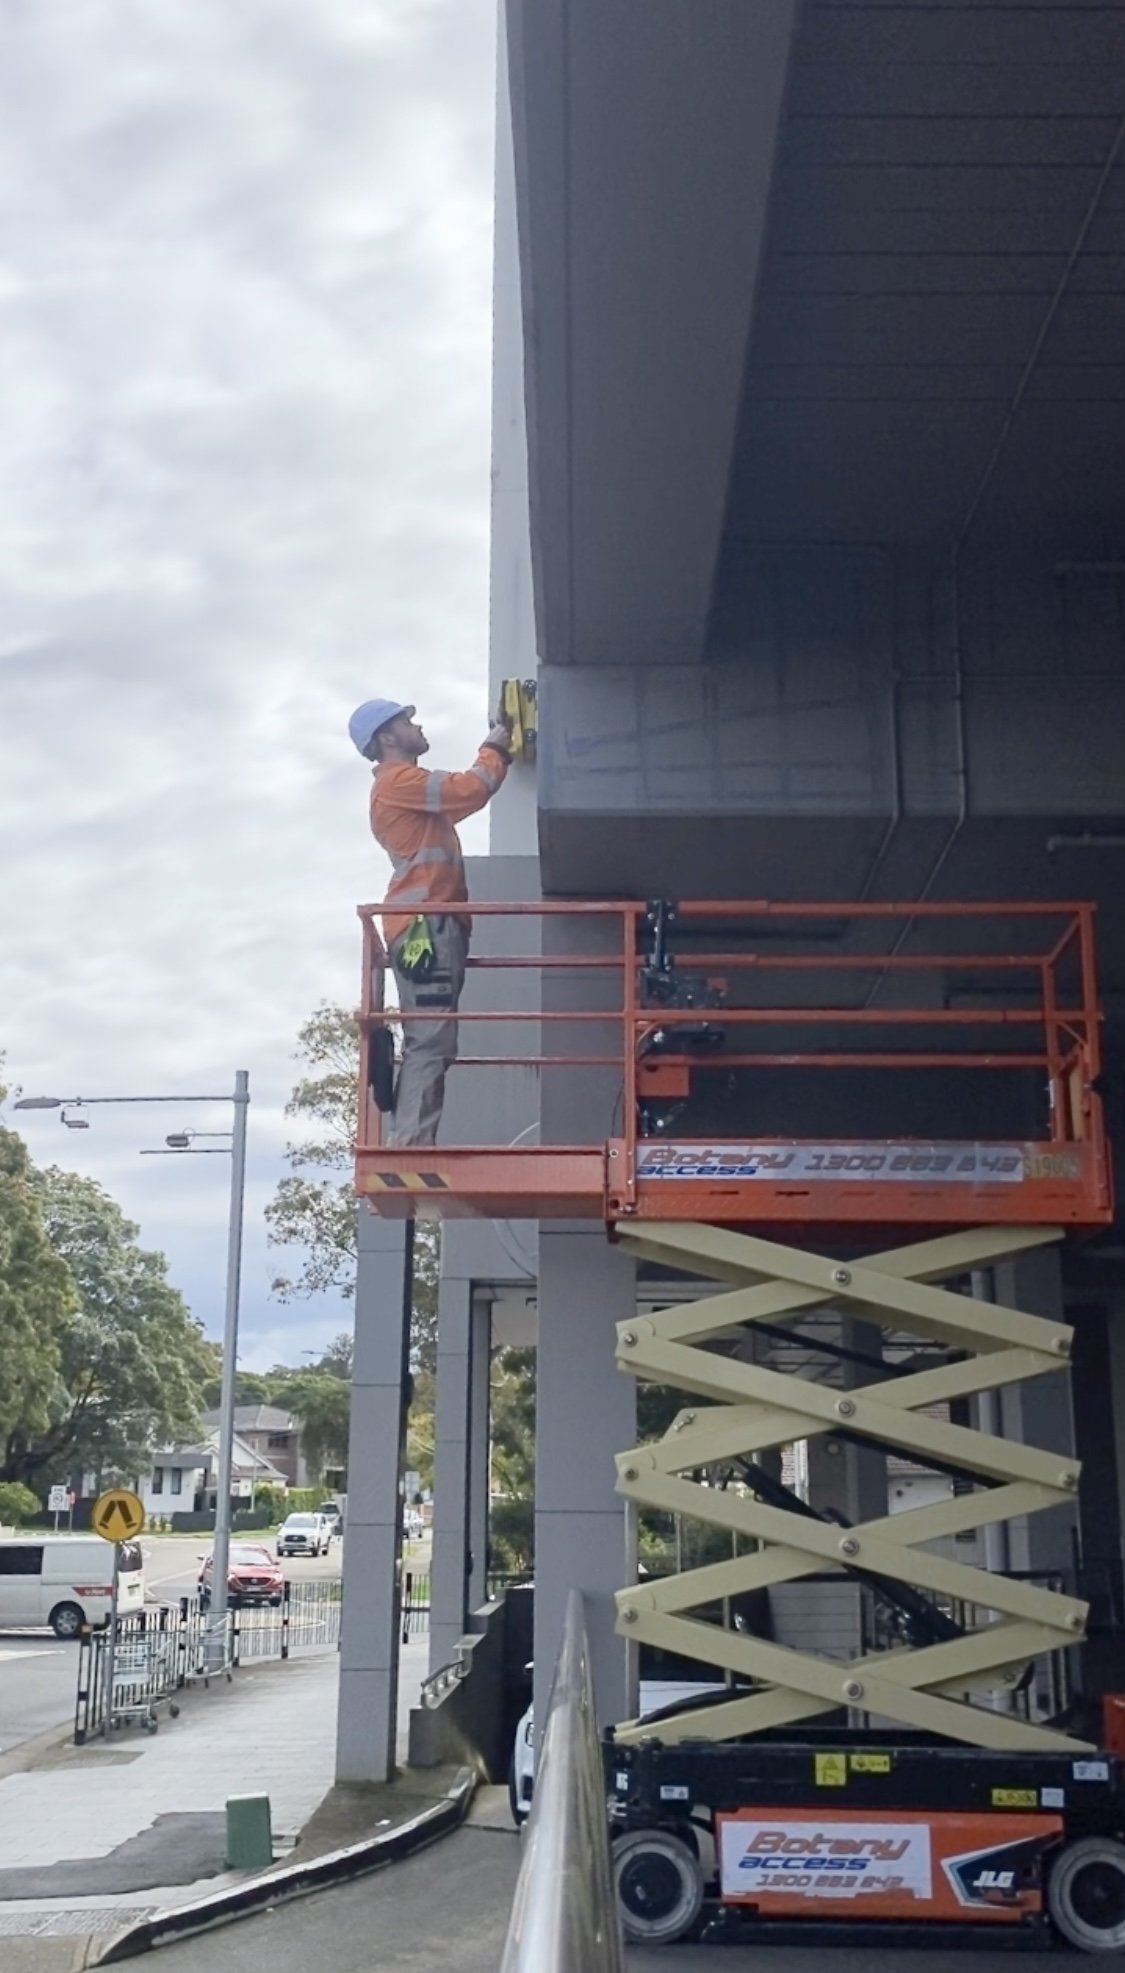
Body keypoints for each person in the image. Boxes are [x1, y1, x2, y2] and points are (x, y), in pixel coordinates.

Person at [349, 698, 512, 1145]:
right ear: (387, 738)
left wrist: (499, 753)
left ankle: (410, 1143)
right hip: (426, 925)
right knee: (431, 1040)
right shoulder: (399, 781)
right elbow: (470, 788)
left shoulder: (405, 790)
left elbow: (468, 797)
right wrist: (495, 744)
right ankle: (409, 1148)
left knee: (433, 1039)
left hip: (430, 924)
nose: (417, 726)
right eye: (407, 721)